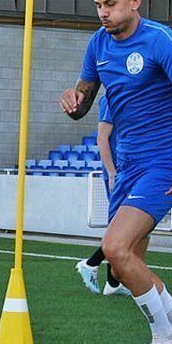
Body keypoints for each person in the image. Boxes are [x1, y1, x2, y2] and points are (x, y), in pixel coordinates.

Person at [60, 0, 172, 344]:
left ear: (134, 1)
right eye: (98, 6)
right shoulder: (97, 44)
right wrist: (75, 102)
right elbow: (85, 98)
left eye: (110, 4)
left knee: (115, 248)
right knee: (125, 268)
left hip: (160, 163)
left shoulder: (159, 40)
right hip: (125, 168)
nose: (103, 13)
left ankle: (163, 337)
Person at [75, 95, 131, 297]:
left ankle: (113, 283)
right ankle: (90, 263)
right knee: (122, 227)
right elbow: (102, 137)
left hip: (129, 169)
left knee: (126, 227)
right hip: (120, 171)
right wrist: (112, 172)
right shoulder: (111, 98)